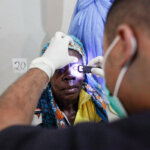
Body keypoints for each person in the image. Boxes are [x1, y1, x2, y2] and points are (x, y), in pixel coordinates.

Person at [0, 0, 150, 149]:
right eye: (58, 68)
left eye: (75, 68)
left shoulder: (96, 105)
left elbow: (5, 133)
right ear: (49, 77)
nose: (69, 75)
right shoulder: (33, 114)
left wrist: (42, 67)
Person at [32, 36, 107, 128]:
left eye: (75, 67)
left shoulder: (95, 103)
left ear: (84, 72)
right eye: (60, 68)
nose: (69, 76)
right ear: (49, 75)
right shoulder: (33, 112)